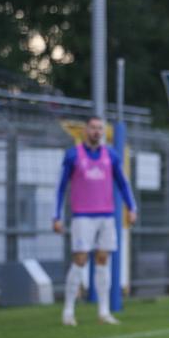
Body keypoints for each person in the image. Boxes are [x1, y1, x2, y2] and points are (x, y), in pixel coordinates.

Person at [53, 116, 137, 326]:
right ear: (85, 131)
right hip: (82, 216)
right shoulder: (73, 155)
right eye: (93, 128)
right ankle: (68, 311)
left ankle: (104, 311)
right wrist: (57, 216)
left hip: (107, 215)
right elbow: (60, 187)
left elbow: (123, 183)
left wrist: (131, 207)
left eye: (100, 128)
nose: (97, 132)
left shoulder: (111, 155)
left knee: (103, 260)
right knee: (80, 259)